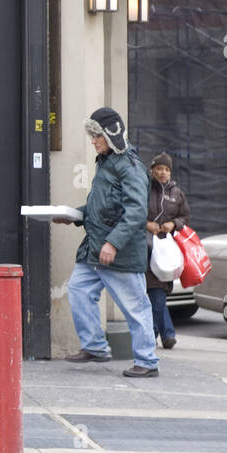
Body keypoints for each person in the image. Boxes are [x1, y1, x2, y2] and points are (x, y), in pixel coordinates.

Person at [57, 107, 159, 377]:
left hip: (117, 252)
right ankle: (95, 347)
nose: (93, 141)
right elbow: (103, 205)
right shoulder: (108, 162)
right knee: (78, 290)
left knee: (135, 306)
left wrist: (113, 243)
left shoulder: (130, 166)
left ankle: (147, 362)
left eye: (97, 136)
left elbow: (136, 212)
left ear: (112, 135)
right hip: (96, 249)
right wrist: (76, 215)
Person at [145, 152, 191, 350]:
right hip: (145, 247)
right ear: (152, 170)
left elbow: (185, 216)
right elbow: (131, 211)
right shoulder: (143, 189)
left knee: (159, 292)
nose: (163, 173)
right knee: (154, 292)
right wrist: (147, 224)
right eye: (159, 168)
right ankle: (160, 335)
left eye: (166, 169)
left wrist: (174, 223)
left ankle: (161, 334)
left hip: (166, 251)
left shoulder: (176, 193)